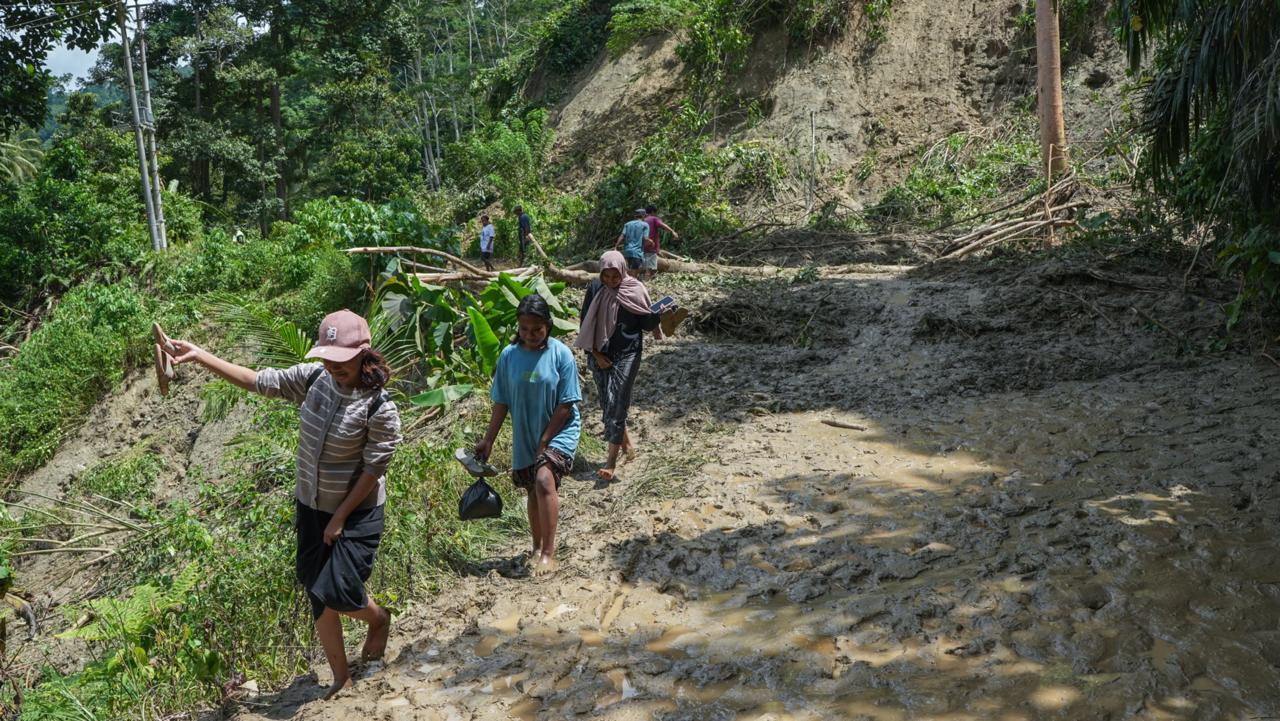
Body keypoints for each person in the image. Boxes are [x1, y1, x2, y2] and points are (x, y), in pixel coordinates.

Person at [168, 310, 401, 700]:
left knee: (340, 589)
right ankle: (341, 677)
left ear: (363, 353)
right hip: (311, 505)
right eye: (327, 357)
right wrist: (200, 355)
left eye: (341, 359)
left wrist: (340, 517)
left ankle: (377, 620)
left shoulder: (379, 408)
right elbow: (259, 381)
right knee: (315, 589)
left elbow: (373, 470)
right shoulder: (314, 379)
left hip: (358, 511)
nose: (332, 365)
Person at [474, 295, 581, 574]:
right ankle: (535, 545)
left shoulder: (561, 355)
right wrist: (489, 439)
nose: (530, 335)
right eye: (524, 329)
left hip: (559, 429)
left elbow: (567, 404)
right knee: (532, 487)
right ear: (518, 327)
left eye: (537, 329)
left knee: (545, 479)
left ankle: (549, 552)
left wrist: (545, 441)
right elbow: (502, 400)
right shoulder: (509, 356)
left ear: (548, 325)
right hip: (526, 430)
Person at [576, 251, 671, 482]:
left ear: (623, 271)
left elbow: (646, 323)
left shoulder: (635, 289)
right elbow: (586, 322)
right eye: (606, 276)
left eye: (614, 277)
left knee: (618, 401)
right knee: (609, 403)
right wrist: (596, 354)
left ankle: (610, 462)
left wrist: (661, 315)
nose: (610, 281)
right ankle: (627, 446)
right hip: (600, 352)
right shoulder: (596, 288)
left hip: (629, 353)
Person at [642, 204, 678, 281]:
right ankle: (647, 281)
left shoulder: (643, 219)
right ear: (652, 212)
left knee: (650, 263)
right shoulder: (654, 219)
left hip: (642, 245)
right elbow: (662, 225)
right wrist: (672, 231)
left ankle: (651, 278)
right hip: (651, 244)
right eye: (655, 212)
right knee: (649, 267)